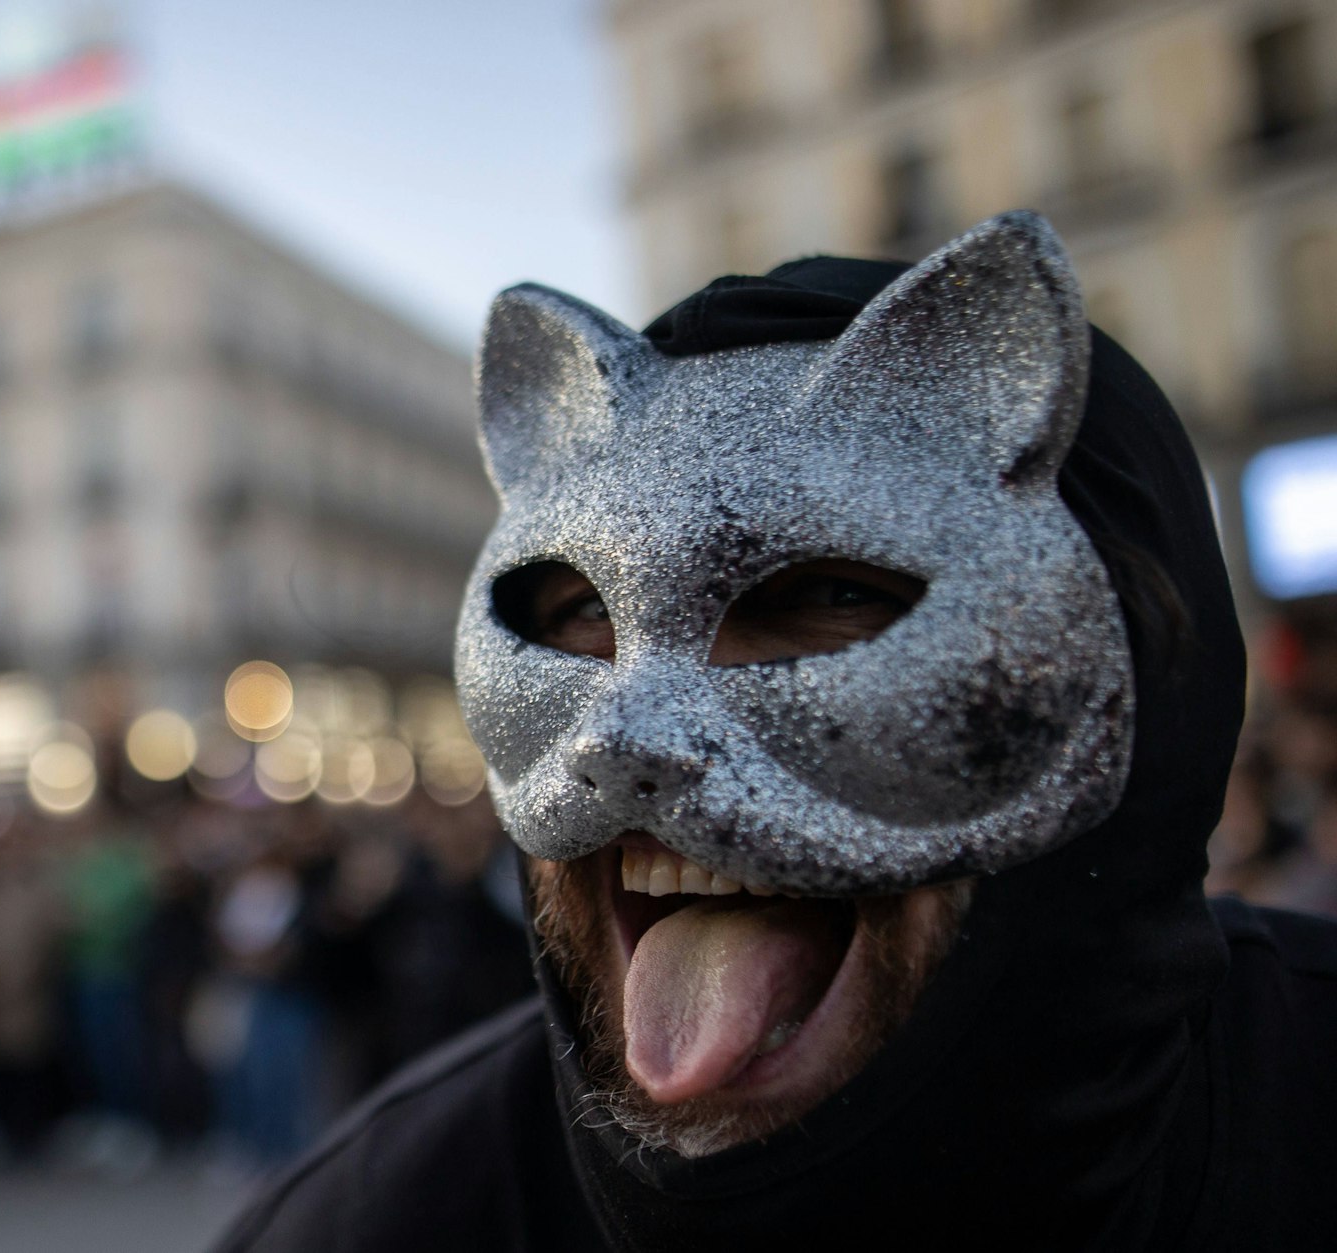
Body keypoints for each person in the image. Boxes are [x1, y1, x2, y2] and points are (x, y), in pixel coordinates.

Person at [210, 212, 1337, 1250]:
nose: (627, 727)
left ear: (1142, 678)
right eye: (583, 613)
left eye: (830, 595)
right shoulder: (379, 1220)